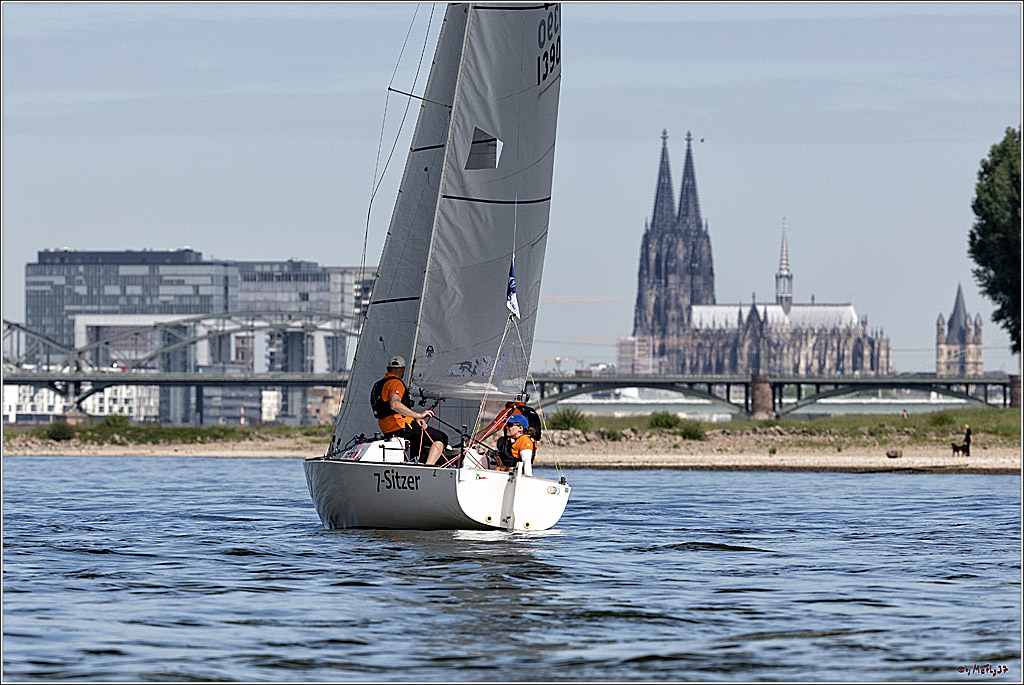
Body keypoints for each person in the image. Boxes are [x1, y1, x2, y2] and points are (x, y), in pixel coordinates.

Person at [370, 355, 448, 466]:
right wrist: (419, 415)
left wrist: (415, 418)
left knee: (417, 448)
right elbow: (394, 404)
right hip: (401, 428)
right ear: (403, 370)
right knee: (441, 437)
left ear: (387, 369)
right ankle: (428, 466)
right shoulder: (395, 383)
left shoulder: (379, 384)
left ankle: (416, 464)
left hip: (386, 428)